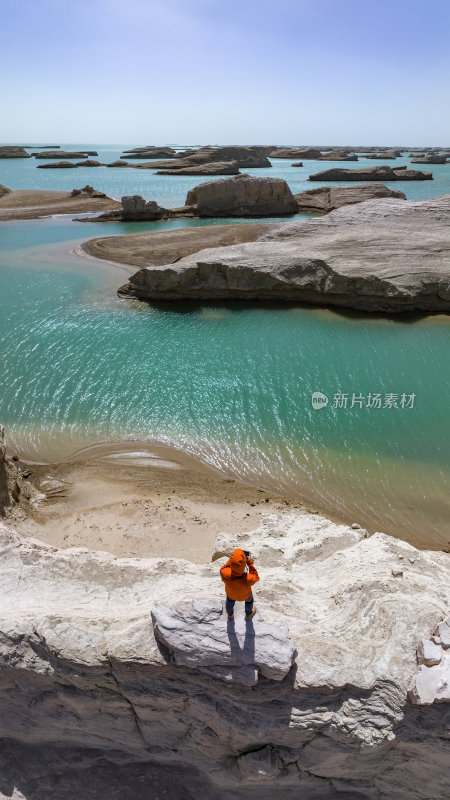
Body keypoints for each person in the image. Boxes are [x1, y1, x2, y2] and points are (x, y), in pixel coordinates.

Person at [219, 548, 259, 621]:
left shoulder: (224, 572)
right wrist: (249, 562)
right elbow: (256, 577)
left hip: (231, 593)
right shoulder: (248, 578)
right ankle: (248, 614)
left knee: (229, 602)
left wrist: (234, 559)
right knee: (249, 601)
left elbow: (227, 565)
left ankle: (230, 615)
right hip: (245, 595)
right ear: (244, 564)